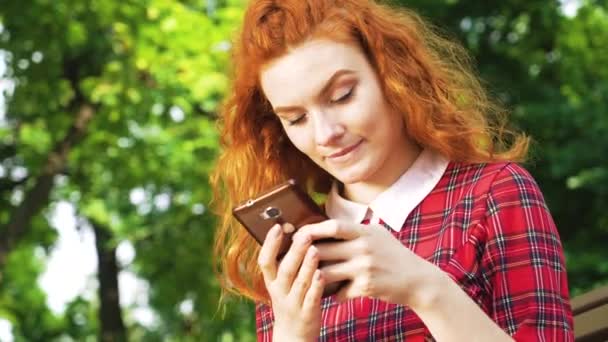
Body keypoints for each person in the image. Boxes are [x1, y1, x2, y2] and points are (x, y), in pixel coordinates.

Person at [210, 0, 574, 340]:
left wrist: (425, 289)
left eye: (342, 96)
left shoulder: (493, 194)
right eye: (296, 118)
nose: (326, 135)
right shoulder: (296, 255)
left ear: (392, 76)